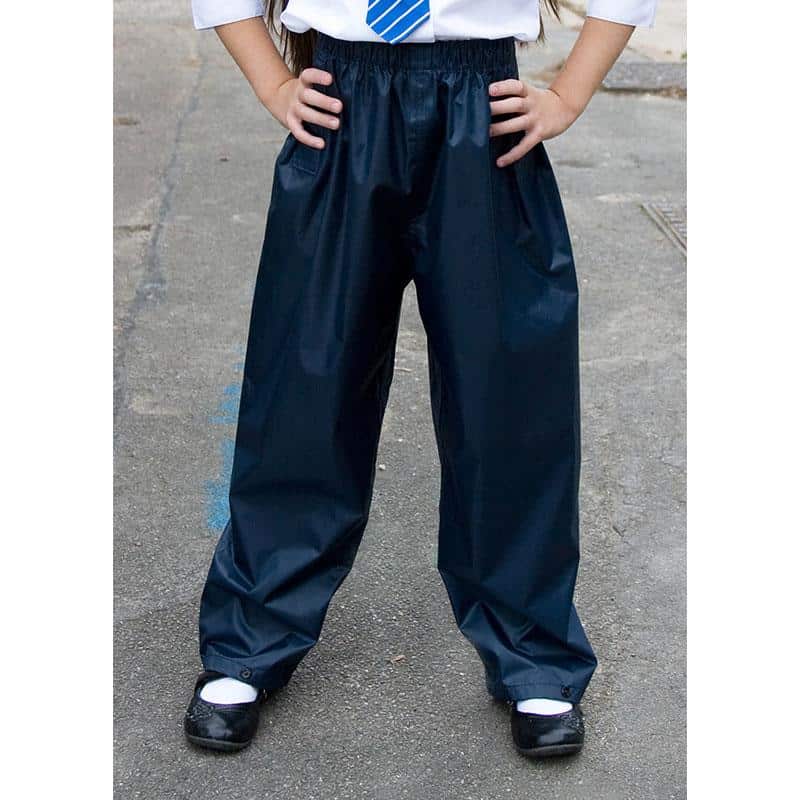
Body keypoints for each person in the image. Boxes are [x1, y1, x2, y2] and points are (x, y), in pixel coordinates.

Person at [183, 0, 657, 757]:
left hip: (480, 110)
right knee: (306, 385)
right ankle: (250, 637)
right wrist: (273, 82)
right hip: (343, 104)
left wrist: (568, 94)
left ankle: (532, 651)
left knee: (507, 394)